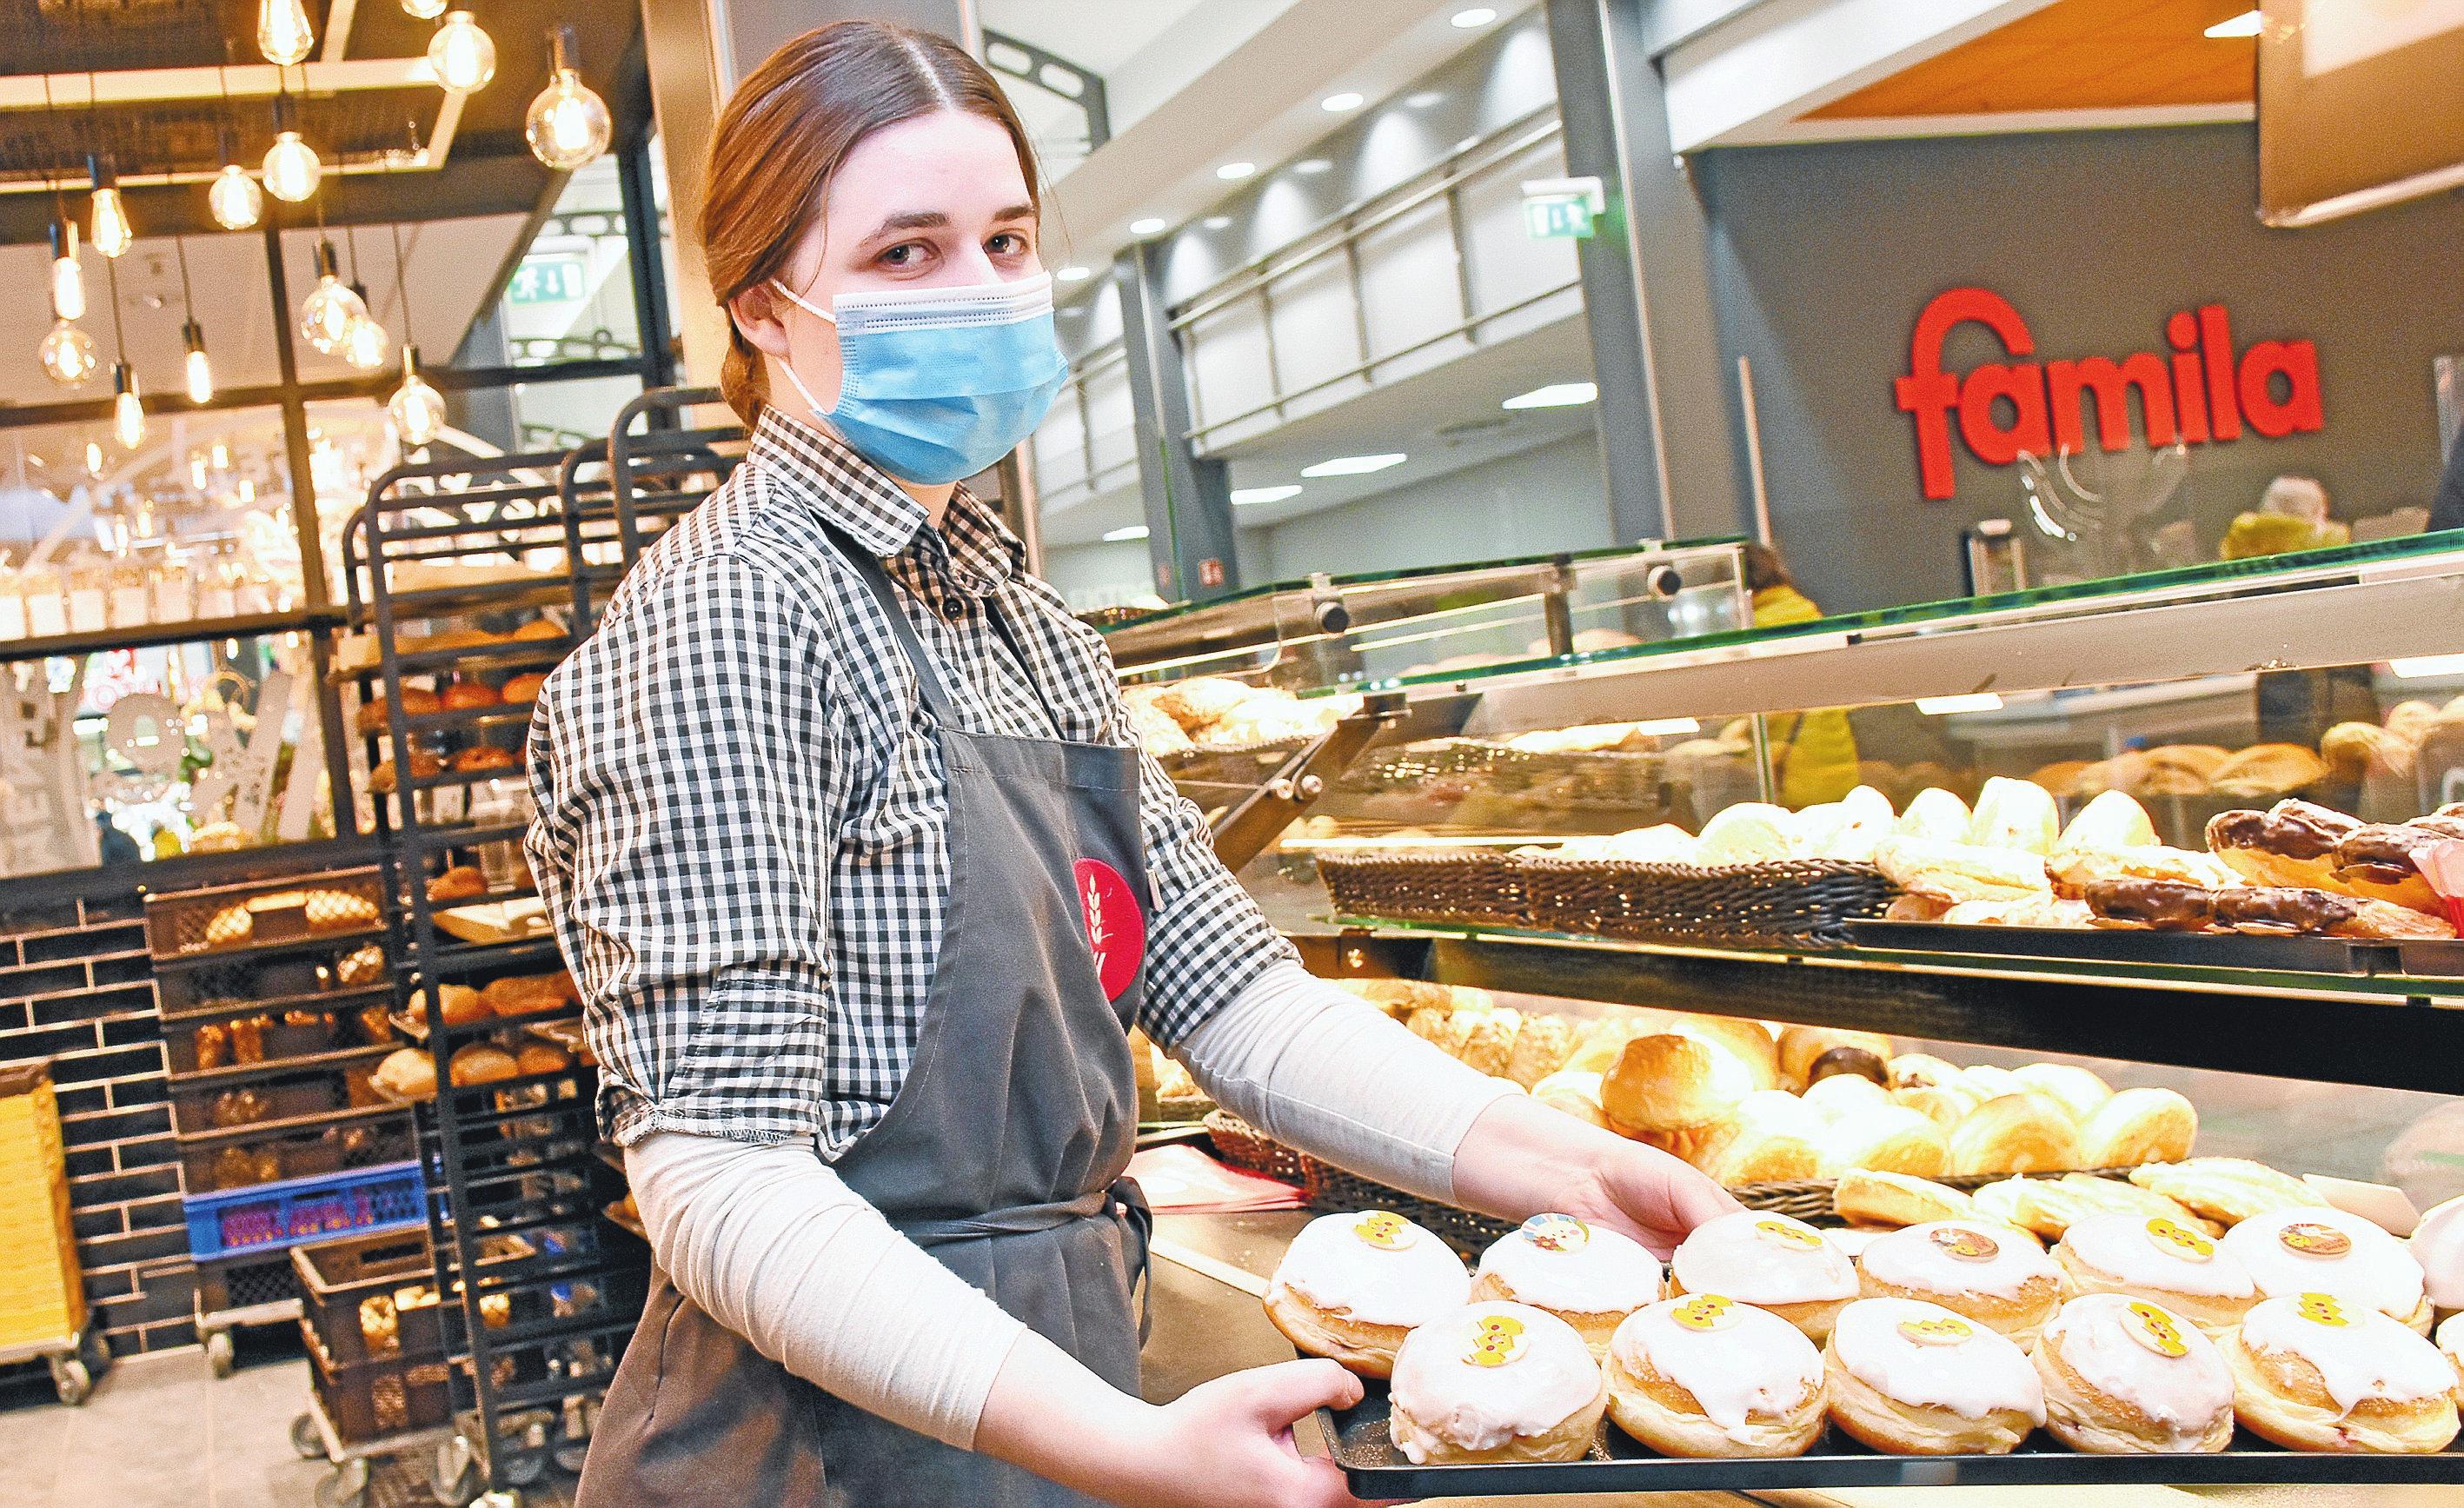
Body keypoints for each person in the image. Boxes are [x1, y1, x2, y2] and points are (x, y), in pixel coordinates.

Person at [526, 23, 1733, 1508]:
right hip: (824, 1450)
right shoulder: (727, 627)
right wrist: (1117, 1444)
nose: (976, 290)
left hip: (1045, 1403)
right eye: (907, 253)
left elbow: (1237, 1000)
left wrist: (1563, 1168)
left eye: (1005, 239)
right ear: (764, 308)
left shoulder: (1025, 626)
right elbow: (719, 1180)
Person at [1741, 542, 1859, 807]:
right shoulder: (1805, 610)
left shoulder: (1755, 628)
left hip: (1797, 776)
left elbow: (1768, 713)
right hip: (1840, 768)